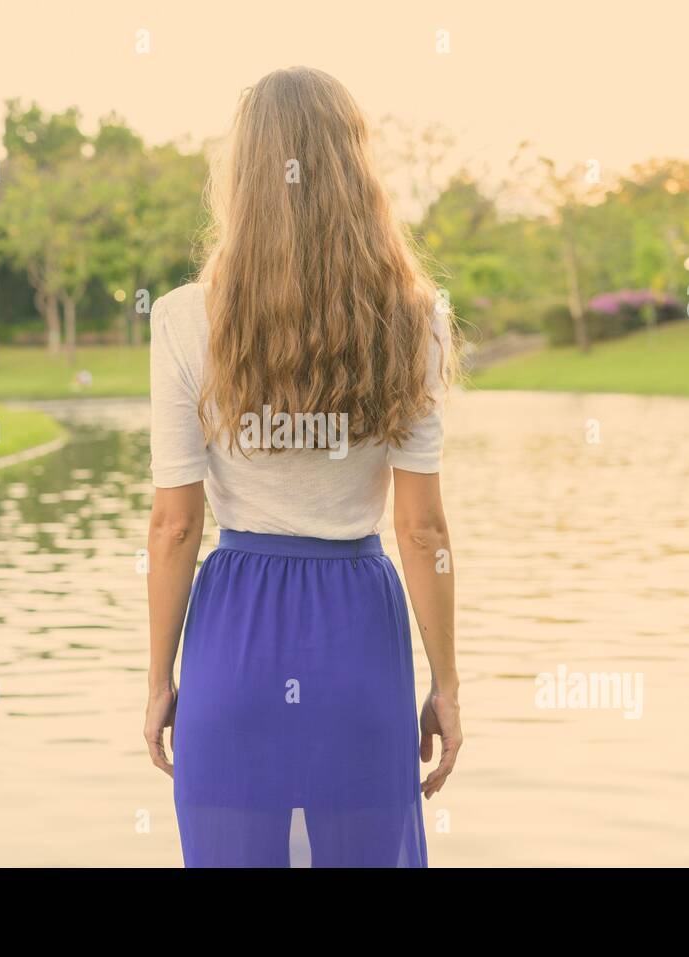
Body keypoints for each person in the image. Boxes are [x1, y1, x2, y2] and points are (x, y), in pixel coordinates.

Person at [143, 66, 461, 867]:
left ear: (243, 176)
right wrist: (446, 683)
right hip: (355, 636)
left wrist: (158, 680)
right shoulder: (416, 319)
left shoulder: (185, 319)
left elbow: (175, 525)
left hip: (232, 642)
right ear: (357, 169)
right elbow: (421, 529)